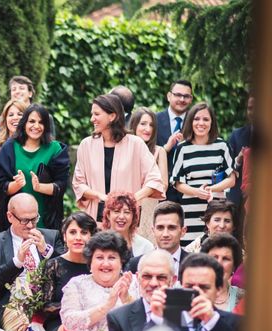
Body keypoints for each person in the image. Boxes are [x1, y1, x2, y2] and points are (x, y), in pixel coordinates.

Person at [105, 251, 239, 331]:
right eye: (147, 276)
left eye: (161, 277)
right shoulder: (121, 318)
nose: (153, 283)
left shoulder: (233, 323)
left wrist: (212, 321)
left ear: (173, 280)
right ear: (138, 277)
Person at [73, 94, 164, 223]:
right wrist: (100, 196)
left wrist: (131, 199)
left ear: (112, 116)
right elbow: (78, 183)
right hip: (95, 219)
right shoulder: (86, 145)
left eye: (97, 114)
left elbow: (154, 179)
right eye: (92, 114)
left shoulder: (136, 144)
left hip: (127, 218)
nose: (92, 119)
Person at [0, 193, 61, 331]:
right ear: (10, 216)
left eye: (34, 219)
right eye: (24, 220)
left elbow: (67, 274)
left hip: (49, 307)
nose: (30, 225)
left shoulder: (51, 237)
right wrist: (16, 262)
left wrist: (46, 251)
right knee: (25, 328)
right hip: (11, 306)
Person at [0, 104, 70, 232]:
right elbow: (1, 187)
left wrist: (40, 187)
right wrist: (17, 185)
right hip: (16, 222)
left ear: (46, 125)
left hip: (46, 220)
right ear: (24, 123)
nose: (36, 126)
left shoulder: (55, 149)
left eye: (41, 122)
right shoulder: (9, 148)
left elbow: (61, 185)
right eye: (32, 121)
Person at [171, 102, 236, 246]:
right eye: (197, 119)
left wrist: (210, 190)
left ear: (212, 122)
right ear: (190, 121)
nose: (201, 123)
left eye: (206, 119)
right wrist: (197, 192)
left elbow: (232, 179)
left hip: (216, 210)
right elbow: (176, 182)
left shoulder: (222, 146)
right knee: (190, 250)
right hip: (190, 209)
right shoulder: (182, 148)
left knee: (217, 247)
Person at [42, 211, 97, 331]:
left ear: (91, 237)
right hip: (60, 327)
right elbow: (45, 307)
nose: (78, 237)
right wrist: (74, 309)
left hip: (93, 325)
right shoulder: (53, 265)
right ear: (65, 237)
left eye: (84, 232)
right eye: (73, 232)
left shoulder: (97, 266)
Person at [0, 99, 26, 231]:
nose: (15, 118)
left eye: (20, 114)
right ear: (5, 119)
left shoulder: (34, 146)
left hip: (25, 211)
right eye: (11, 114)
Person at [128, 107, 169, 242]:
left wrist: (145, 191)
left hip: (149, 206)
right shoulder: (124, 149)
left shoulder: (159, 151)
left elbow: (163, 184)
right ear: (134, 125)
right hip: (127, 205)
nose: (148, 129)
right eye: (143, 124)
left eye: (151, 125)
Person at [126, 201, 189, 277]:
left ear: (183, 231)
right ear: (153, 230)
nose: (165, 234)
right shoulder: (135, 264)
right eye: (160, 228)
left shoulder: (195, 264)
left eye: (171, 228)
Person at [156, 79, 194, 202]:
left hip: (189, 190)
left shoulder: (197, 122)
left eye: (186, 96)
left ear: (191, 99)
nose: (182, 99)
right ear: (169, 96)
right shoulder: (154, 121)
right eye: (178, 95)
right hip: (161, 190)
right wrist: (165, 148)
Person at [200, 233, 244, 312]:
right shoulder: (190, 296)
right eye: (214, 257)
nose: (219, 263)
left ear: (234, 266)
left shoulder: (245, 299)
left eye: (225, 259)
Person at [101, 191, 154, 257]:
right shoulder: (98, 243)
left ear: (133, 217)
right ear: (108, 215)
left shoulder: (145, 247)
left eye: (127, 212)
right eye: (117, 211)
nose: (121, 217)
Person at [227, 95, 254, 210]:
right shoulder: (237, 136)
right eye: (250, 108)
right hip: (239, 203)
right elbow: (225, 168)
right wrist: (238, 161)